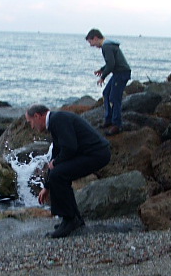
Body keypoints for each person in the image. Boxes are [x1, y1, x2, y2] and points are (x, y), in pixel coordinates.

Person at [25, 104, 111, 238]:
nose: (31, 127)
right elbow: (56, 154)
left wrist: (56, 163)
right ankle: (74, 218)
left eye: (30, 122)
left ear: (37, 116)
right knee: (58, 174)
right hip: (93, 154)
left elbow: (70, 148)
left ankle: (69, 220)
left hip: (97, 154)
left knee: (59, 174)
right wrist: (47, 186)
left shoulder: (58, 119)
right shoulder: (55, 121)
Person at [86, 28, 131, 135]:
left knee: (114, 98)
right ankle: (108, 119)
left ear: (96, 38)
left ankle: (117, 125)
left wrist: (103, 77)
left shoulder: (106, 46)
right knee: (106, 93)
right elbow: (111, 62)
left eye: (90, 42)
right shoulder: (108, 45)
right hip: (118, 73)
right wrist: (102, 69)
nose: (91, 45)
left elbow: (111, 64)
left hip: (121, 73)